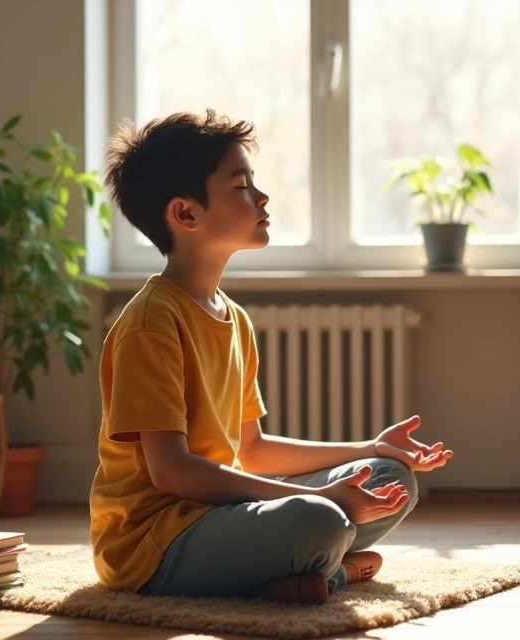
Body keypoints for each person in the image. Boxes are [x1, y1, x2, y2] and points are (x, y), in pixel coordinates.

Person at [90, 110, 453, 605]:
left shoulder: (233, 319)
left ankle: (310, 569)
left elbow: (253, 451)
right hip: (155, 542)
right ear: (186, 214)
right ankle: (332, 572)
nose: (261, 198)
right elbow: (172, 473)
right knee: (318, 519)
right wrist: (319, 499)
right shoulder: (151, 323)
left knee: (393, 479)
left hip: (218, 516)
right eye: (241, 186)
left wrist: (370, 447)